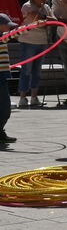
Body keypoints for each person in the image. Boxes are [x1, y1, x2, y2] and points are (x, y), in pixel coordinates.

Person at [17, 0, 52, 107]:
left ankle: (34, 97)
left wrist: (43, 18)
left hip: (42, 42)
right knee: (26, 70)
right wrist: (44, 19)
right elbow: (35, 20)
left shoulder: (46, 7)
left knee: (37, 71)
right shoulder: (27, 6)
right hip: (28, 41)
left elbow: (54, 20)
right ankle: (22, 98)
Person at [0, 13, 13, 143]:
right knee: (4, 106)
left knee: (4, 105)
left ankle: (0, 132)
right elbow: (16, 33)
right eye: (7, 25)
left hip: (3, 75)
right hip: (0, 75)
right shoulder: (1, 38)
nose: (9, 28)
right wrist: (33, 26)